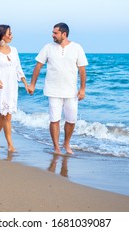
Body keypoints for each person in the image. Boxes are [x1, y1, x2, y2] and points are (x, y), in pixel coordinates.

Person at [28, 23, 88, 155]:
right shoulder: (48, 47)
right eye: (53, 32)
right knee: (54, 119)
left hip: (71, 91)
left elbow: (82, 70)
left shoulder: (77, 48)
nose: (52, 35)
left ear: (64, 34)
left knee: (71, 120)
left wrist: (82, 89)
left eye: (55, 33)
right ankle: (56, 147)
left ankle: (66, 143)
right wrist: (32, 84)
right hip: (53, 90)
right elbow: (38, 66)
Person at [0, 24, 28, 152]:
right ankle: (10, 145)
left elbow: (18, 69)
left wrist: (25, 84)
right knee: (6, 116)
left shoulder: (14, 50)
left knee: (4, 115)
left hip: (12, 86)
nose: (11, 36)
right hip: (0, 86)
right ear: (2, 35)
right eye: (9, 34)